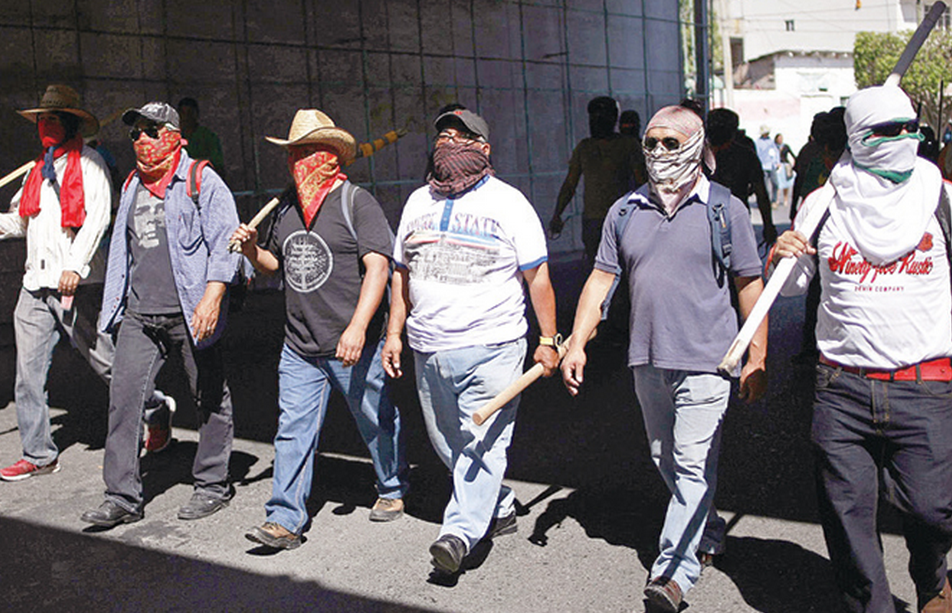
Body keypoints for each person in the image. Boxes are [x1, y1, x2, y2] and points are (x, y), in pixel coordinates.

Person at [560, 105, 768, 613]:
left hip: (710, 362)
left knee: (692, 464)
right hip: (647, 358)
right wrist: (579, 340)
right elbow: (600, 281)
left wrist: (758, 356)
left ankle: (674, 570)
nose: (657, 153)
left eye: (670, 143)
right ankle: (709, 528)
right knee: (667, 460)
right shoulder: (624, 211)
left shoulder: (726, 211)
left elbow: (750, 286)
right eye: (651, 143)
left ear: (697, 146)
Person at [772, 85, 952, 613]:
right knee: (847, 517)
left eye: (910, 129)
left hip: (924, 385)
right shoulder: (824, 203)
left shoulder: (941, 198)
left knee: (932, 510)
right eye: (887, 131)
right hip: (841, 390)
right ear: (858, 138)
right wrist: (782, 253)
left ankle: (932, 577)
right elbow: (790, 287)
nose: (902, 140)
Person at [381, 108, 559, 574]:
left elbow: (537, 276)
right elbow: (402, 273)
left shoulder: (509, 203)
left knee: (482, 443)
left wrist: (549, 339)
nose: (449, 143)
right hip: (429, 348)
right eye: (442, 136)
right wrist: (394, 332)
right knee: (449, 444)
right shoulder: (418, 201)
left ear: (484, 149)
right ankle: (497, 503)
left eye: (461, 137)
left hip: (494, 346)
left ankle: (458, 534)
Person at [231, 109, 409, 550]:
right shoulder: (287, 205)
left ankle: (392, 485)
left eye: (308, 152)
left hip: (351, 342)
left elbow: (378, 268)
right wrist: (253, 250)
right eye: (295, 154)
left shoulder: (356, 203)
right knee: (292, 428)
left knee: (375, 418)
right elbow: (276, 266)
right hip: (299, 344)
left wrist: (358, 328)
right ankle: (284, 519)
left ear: (331, 156)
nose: (299, 162)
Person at [0, 85, 171, 481]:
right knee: (27, 375)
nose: (46, 125)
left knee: (109, 364)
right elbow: (21, 222)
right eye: (42, 119)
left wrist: (75, 266)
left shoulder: (90, 164)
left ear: (71, 123)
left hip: (77, 285)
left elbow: (98, 217)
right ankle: (39, 452)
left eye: (53, 118)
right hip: (35, 284)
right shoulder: (37, 173)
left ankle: (156, 408)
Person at [81, 101, 240, 528]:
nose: (142, 140)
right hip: (140, 315)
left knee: (209, 396)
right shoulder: (132, 183)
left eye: (151, 131)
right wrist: (114, 305)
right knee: (124, 403)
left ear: (173, 135)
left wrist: (212, 297)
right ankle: (121, 497)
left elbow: (226, 242)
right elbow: (124, 251)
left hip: (189, 311)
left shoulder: (201, 180)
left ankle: (212, 483)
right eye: (135, 133)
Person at [549, 96, 646, 265]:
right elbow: (570, 185)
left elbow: (641, 183)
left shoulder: (627, 145)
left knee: (617, 270)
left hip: (619, 218)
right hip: (598, 220)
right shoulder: (585, 147)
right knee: (600, 268)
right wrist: (557, 214)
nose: (597, 121)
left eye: (601, 116)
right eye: (594, 116)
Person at [707, 108, 778, 245]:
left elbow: (761, 192)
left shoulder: (696, 156)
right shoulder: (745, 155)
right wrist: (768, 225)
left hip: (712, 221)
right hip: (735, 220)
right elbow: (761, 193)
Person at [177, 97, 225, 179]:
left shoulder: (208, 137)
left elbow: (218, 166)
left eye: (190, 113)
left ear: (196, 115)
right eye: (183, 113)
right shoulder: (173, 137)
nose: (186, 117)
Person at [755, 125, 781, 207]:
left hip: (772, 165)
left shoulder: (771, 141)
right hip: (763, 166)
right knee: (765, 186)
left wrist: (777, 162)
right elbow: (757, 154)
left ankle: (774, 200)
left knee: (775, 183)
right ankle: (765, 201)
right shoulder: (758, 142)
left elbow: (775, 152)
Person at [774, 133, 796, 209]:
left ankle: (785, 199)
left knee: (786, 184)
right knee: (778, 183)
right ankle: (777, 199)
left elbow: (792, 154)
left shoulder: (785, 146)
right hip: (778, 166)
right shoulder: (774, 147)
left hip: (785, 166)